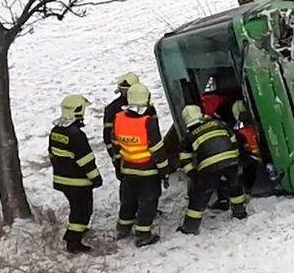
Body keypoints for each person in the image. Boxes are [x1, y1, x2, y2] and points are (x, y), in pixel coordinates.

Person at [113, 82, 169, 246]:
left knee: (128, 200)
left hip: (128, 169)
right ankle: (143, 235)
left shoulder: (119, 119)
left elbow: (115, 144)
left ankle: (123, 228)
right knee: (148, 202)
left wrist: (119, 164)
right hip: (147, 171)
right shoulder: (147, 122)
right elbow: (157, 149)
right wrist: (164, 171)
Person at [177, 105, 246, 235]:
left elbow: (185, 159)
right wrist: (236, 157)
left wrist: (194, 176)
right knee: (235, 185)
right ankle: (239, 212)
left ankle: (190, 227)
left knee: (200, 196)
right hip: (230, 159)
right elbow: (233, 140)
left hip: (209, 166)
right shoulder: (218, 123)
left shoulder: (189, 137)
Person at [48, 94, 103, 253]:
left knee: (75, 207)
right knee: (83, 210)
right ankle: (74, 241)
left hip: (62, 180)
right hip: (78, 182)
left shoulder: (56, 131)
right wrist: (96, 178)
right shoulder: (76, 135)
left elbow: (52, 154)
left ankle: (72, 233)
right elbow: (86, 160)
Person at [103, 72, 155, 180]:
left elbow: (155, 136)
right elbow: (108, 139)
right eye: (123, 89)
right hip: (126, 164)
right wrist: (116, 161)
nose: (125, 92)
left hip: (147, 163)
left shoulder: (148, 108)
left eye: (128, 89)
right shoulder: (112, 109)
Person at [232, 100, 263, 194]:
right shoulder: (255, 124)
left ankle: (245, 189)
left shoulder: (239, 130)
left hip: (250, 156)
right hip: (257, 153)